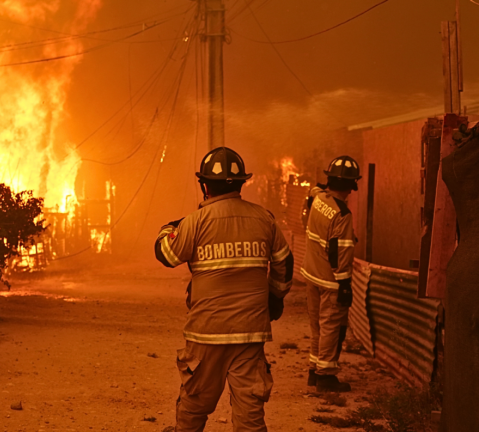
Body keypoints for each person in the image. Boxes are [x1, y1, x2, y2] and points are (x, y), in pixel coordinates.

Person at [154, 147, 293, 432]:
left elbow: (166, 254)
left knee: (195, 401)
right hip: (250, 331)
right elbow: (285, 262)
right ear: (242, 183)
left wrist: (169, 227)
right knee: (249, 405)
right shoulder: (264, 219)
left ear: (204, 184)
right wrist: (275, 298)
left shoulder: (195, 222)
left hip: (207, 331)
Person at [301, 155, 361, 393]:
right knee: (330, 327)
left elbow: (314, 190)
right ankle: (326, 377)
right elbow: (341, 253)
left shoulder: (318, 199)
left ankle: (314, 372)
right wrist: (345, 284)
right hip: (330, 280)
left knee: (317, 326)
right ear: (352, 185)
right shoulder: (343, 214)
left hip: (311, 274)